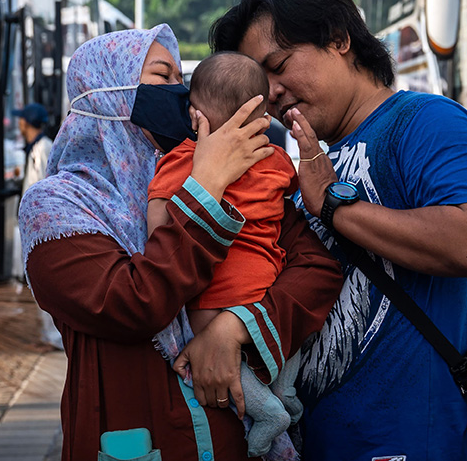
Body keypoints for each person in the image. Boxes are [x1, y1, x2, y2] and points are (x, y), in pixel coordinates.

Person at [209, 0, 467, 460]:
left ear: (339, 38)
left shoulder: (428, 121)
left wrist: (331, 203)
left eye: (280, 64)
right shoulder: (313, 162)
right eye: (261, 81)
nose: (273, 91)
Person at [19, 25, 342, 460]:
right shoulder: (56, 206)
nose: (182, 92)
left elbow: (316, 270)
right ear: (107, 92)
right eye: (162, 76)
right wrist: (204, 186)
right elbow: (132, 304)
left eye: (180, 78)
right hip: (142, 439)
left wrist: (235, 328)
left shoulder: (235, 178)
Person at [144, 52, 301, 457]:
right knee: (276, 334)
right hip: (268, 278)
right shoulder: (277, 160)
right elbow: (290, 199)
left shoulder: (181, 160)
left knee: (206, 334)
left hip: (220, 284)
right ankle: (285, 389)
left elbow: (160, 224)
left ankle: (268, 411)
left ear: (195, 117)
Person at [11, 102, 61, 349]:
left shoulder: (44, 148)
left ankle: (52, 337)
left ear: (25, 123)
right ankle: (44, 335)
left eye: (21, 120)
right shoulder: (34, 149)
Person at [14, 102, 54, 193]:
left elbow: (45, 184)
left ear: (26, 122)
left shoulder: (43, 147)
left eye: (21, 118)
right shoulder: (34, 147)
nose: (19, 122)